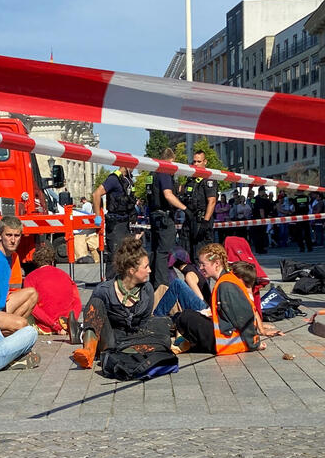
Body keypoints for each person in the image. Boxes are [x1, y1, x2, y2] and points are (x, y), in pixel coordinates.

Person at [72, 237, 172, 369]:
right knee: (96, 303)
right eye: (146, 267)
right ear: (131, 270)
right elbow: (92, 316)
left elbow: (144, 323)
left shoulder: (147, 289)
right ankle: (89, 351)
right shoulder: (105, 290)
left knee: (165, 338)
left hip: (132, 337)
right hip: (109, 336)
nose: (150, 271)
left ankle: (120, 351)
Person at [174, 243, 265, 356]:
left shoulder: (226, 285)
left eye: (203, 264)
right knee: (190, 316)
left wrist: (254, 344)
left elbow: (243, 316)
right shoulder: (226, 280)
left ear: (216, 263)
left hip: (230, 342)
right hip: (229, 338)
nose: (201, 268)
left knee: (185, 317)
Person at [0, 215, 38, 333]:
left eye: (17, 235)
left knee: (32, 293)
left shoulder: (13, 256)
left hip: (2, 306)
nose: (13, 240)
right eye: (8, 235)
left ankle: (4, 332)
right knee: (23, 325)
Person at [147, 148, 188, 290]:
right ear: (171, 160)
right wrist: (185, 209)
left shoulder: (154, 172)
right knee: (164, 252)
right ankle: (162, 285)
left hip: (155, 215)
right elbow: (168, 195)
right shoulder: (165, 171)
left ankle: (155, 283)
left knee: (156, 250)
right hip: (164, 216)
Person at [23, 242, 82, 335]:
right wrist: (70, 322)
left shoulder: (30, 278)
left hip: (45, 327)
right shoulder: (65, 275)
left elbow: (33, 308)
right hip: (65, 324)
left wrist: (55, 326)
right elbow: (77, 302)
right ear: (52, 260)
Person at [93, 166, 135, 279]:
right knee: (115, 255)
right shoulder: (114, 179)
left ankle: (122, 282)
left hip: (124, 221)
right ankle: (110, 285)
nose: (134, 168)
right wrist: (97, 216)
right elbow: (96, 194)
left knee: (125, 254)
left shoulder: (126, 179)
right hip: (115, 222)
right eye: (132, 166)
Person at [179, 151, 217, 262]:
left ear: (205, 162)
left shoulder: (208, 179)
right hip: (190, 219)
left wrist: (205, 222)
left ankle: (203, 279)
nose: (196, 164)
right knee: (187, 253)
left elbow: (212, 201)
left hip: (202, 220)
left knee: (201, 256)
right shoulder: (191, 180)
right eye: (194, 161)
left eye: (199, 161)